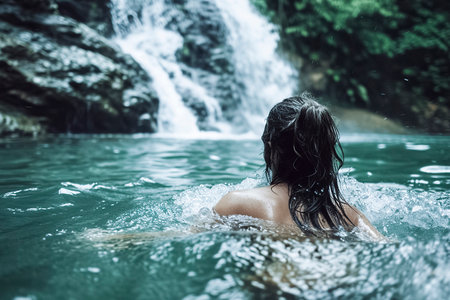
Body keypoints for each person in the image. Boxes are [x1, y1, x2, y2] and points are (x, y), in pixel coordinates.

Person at [214, 93, 384, 239]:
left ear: (270, 147)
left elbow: (189, 241)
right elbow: (387, 248)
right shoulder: (348, 215)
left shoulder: (237, 203)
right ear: (324, 154)